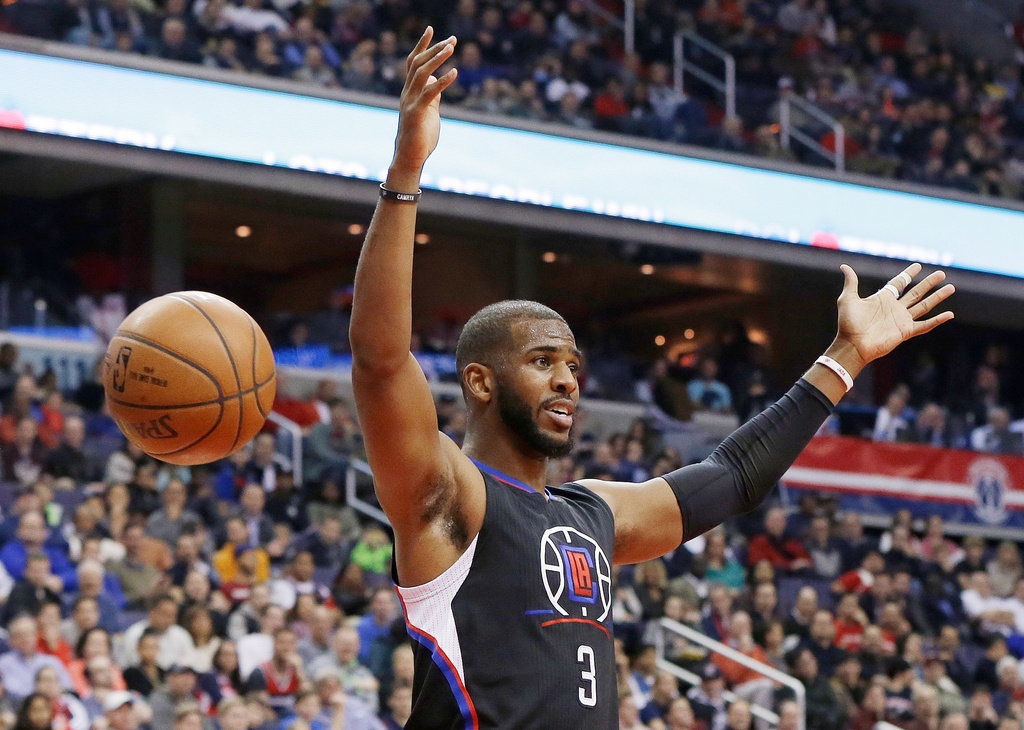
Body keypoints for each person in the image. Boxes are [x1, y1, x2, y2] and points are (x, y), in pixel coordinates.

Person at [348, 26, 956, 730]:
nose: (568, 380)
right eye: (543, 361)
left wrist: (846, 357)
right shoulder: (447, 496)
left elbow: (731, 477)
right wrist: (405, 172)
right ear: (480, 382)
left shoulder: (594, 516)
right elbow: (380, 361)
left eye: (574, 365)